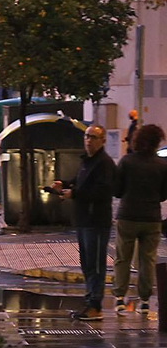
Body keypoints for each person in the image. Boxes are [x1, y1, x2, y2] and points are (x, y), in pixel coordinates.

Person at [52, 125, 117, 320]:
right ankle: (90, 301)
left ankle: (95, 305)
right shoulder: (87, 161)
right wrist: (63, 184)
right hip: (83, 220)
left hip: (96, 221)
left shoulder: (104, 164)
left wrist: (75, 193)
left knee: (95, 264)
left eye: (94, 137)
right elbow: (78, 181)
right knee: (87, 264)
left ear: (103, 140)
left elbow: (103, 192)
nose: (88, 140)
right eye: (87, 136)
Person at [110, 123, 167, 316]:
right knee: (148, 260)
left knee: (123, 258)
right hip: (152, 217)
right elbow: (163, 195)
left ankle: (119, 298)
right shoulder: (162, 165)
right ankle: (144, 301)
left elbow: (116, 191)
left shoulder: (126, 162)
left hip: (128, 216)